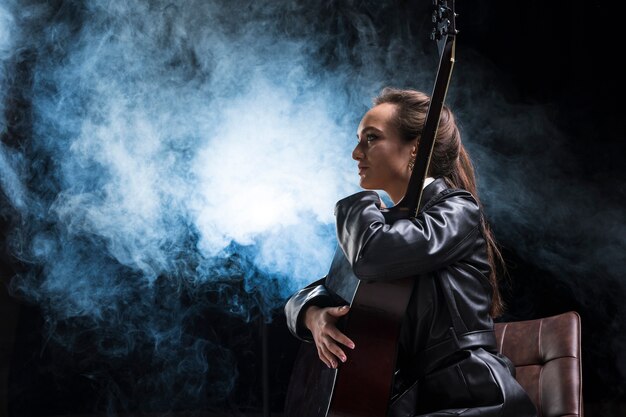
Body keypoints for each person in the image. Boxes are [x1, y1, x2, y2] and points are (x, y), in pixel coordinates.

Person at [284, 88, 537, 416]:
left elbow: (372, 257)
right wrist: (312, 315)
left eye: (371, 139)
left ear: (415, 148)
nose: (355, 153)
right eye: (359, 139)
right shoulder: (389, 226)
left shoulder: (457, 209)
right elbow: (314, 292)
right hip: (413, 398)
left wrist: (358, 202)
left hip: (470, 397)